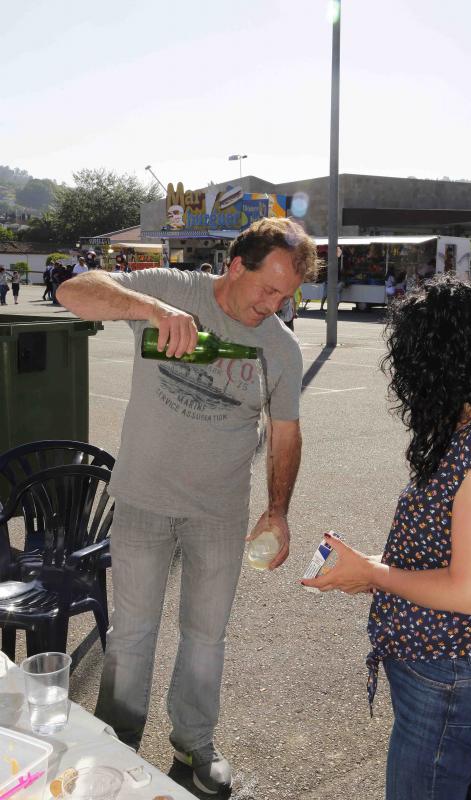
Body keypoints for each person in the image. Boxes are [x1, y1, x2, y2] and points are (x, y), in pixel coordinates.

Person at [57, 217, 318, 795]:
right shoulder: (173, 289)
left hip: (219, 513)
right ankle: (115, 742)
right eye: (267, 289)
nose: (273, 305)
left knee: (206, 635)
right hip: (144, 500)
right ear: (235, 266)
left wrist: (277, 511)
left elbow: (286, 432)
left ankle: (194, 743)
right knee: (131, 634)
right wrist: (150, 311)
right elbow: (73, 292)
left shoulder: (279, 346)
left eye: (285, 296)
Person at [303, 276, 471, 800]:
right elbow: (450, 552)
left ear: (438, 360)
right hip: (446, 675)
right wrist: (369, 565)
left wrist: (373, 573)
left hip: (451, 679)